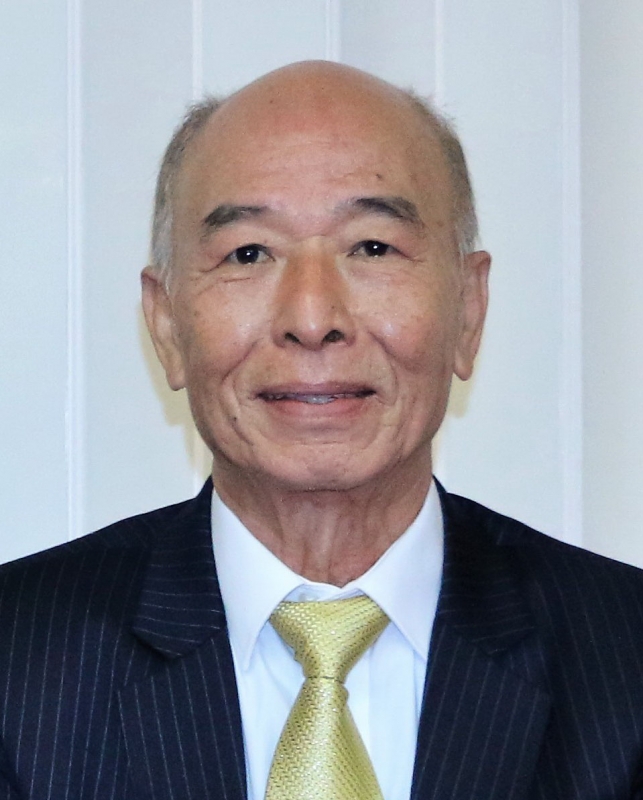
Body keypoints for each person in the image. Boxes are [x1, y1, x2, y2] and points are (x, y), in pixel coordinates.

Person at [2, 60, 643, 800]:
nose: (312, 319)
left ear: (468, 311)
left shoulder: (623, 663)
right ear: (167, 324)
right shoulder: (19, 669)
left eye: (371, 248)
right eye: (248, 253)